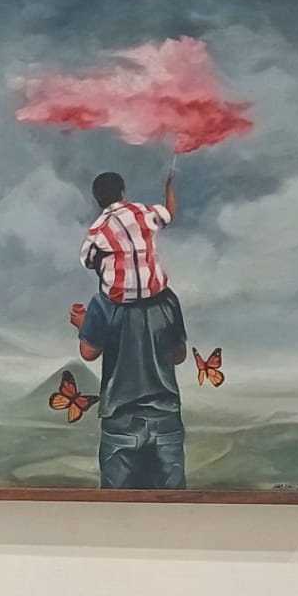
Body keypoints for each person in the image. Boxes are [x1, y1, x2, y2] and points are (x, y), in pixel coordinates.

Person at [68, 169, 188, 489]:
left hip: (120, 418)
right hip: (166, 415)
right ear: (123, 192)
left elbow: (89, 352)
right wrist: (168, 186)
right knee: (173, 504)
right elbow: (178, 355)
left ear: (97, 200)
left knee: (116, 507)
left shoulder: (104, 304)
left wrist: (83, 325)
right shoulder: (168, 300)